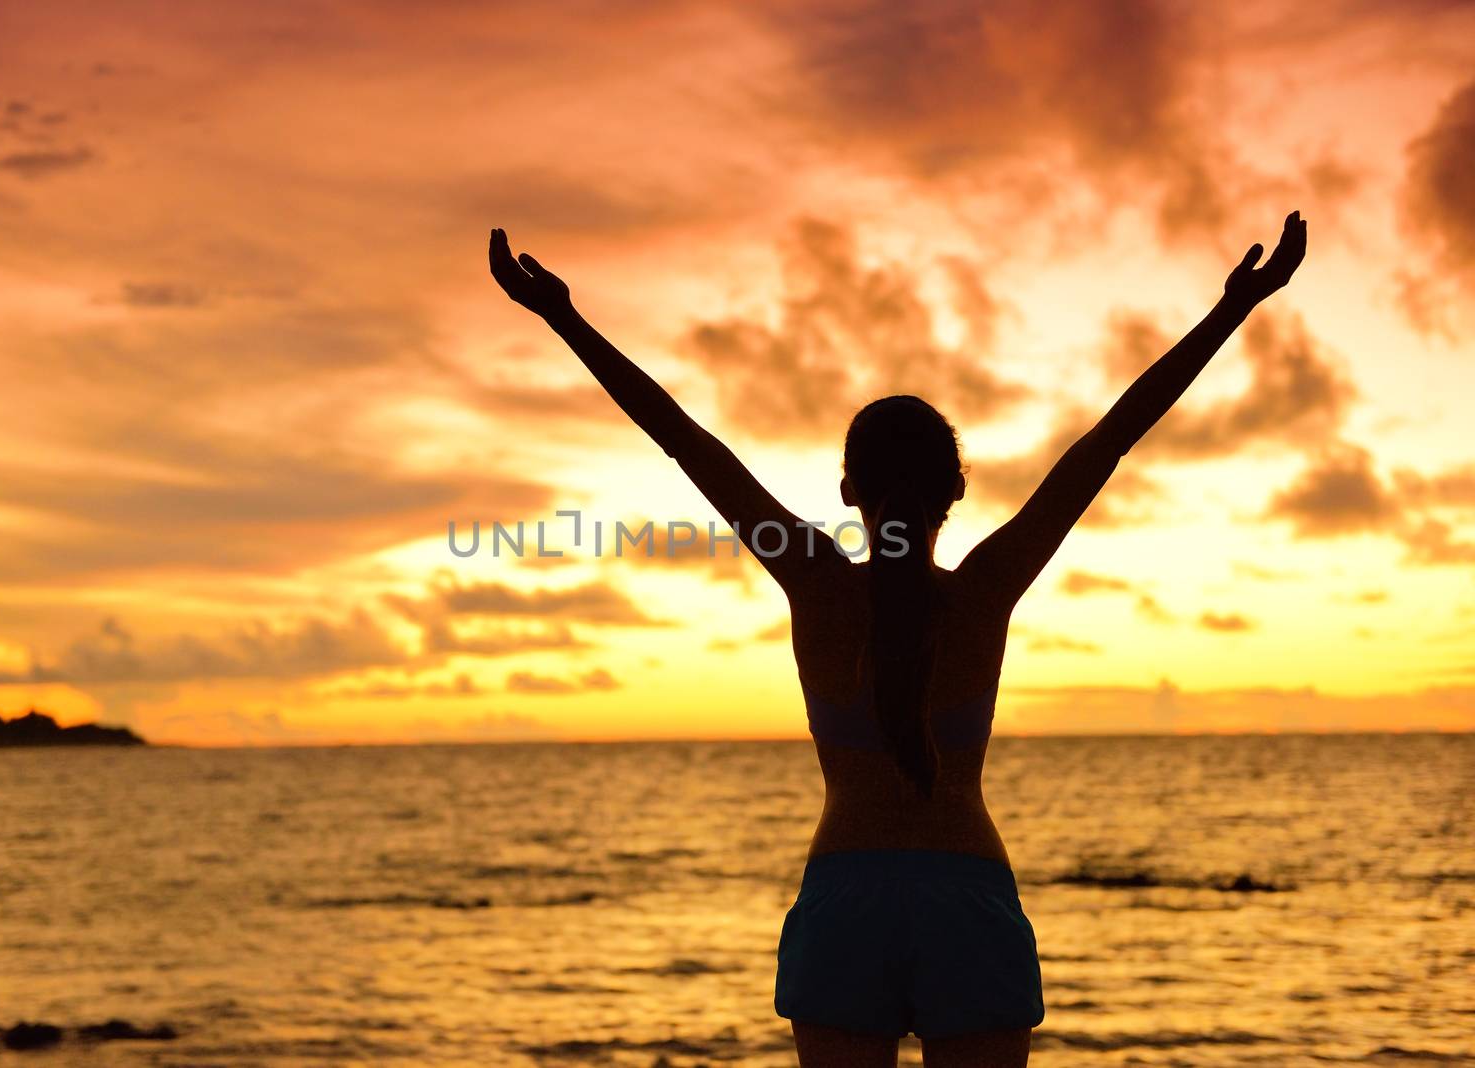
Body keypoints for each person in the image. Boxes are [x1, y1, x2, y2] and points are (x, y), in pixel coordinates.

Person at [488, 211, 1307, 1067]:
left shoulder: (811, 577)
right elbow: (1109, 441)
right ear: (956, 488)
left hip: (847, 898)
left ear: (848, 486)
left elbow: (684, 441)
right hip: (968, 894)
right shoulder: (988, 588)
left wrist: (565, 318)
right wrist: (1234, 309)